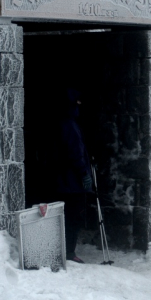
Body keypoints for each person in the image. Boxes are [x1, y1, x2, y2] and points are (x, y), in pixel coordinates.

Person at [52, 88, 93, 264]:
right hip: (71, 180)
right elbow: (76, 153)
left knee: (63, 213)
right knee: (72, 215)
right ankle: (68, 251)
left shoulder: (60, 123)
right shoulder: (69, 125)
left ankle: (62, 248)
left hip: (61, 178)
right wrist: (84, 173)